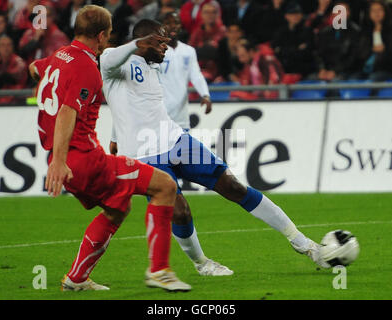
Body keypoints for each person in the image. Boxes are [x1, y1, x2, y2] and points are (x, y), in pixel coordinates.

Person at [103, 19, 330, 279]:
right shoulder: (113, 57)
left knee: (233, 186)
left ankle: (303, 243)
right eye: (162, 43)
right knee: (179, 210)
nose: (166, 48)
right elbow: (110, 63)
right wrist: (138, 44)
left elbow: (131, 104)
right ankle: (202, 263)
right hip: (144, 154)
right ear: (147, 41)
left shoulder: (151, 67)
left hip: (176, 140)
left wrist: (114, 133)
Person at [29, 5, 190, 292]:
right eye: (109, 35)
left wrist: (56, 157)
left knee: (117, 209)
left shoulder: (58, 56)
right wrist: (61, 161)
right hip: (84, 160)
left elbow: (34, 69)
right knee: (165, 186)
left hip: (65, 158)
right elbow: (68, 111)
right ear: (102, 35)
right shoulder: (87, 67)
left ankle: (77, 279)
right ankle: (160, 270)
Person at [104, 18, 232, 276]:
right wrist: (117, 135)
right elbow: (126, 104)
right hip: (143, 148)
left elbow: (146, 102)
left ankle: (169, 268)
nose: (166, 42)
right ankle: (172, 267)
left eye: (169, 33)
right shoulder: (123, 61)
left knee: (218, 187)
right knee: (166, 207)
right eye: (161, 38)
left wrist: (205, 93)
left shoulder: (176, 55)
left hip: (175, 131)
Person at [316, 1, 361, 81]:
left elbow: (353, 57)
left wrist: (335, 71)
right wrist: (322, 69)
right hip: (326, 71)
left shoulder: (356, 32)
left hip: (348, 72)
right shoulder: (324, 32)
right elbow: (318, 54)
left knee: (335, 83)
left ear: (349, 13)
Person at [353, 0, 392, 81]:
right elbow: (358, 54)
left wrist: (383, 51)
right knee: (353, 79)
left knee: (372, 80)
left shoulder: (389, 31)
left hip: (385, 70)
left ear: (385, 12)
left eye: (380, 10)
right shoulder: (364, 32)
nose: (376, 13)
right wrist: (371, 50)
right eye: (373, 10)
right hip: (364, 70)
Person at [0, 35, 27, 104]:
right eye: (2, 45)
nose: (6, 48)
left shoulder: (19, 62)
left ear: (12, 47)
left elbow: (9, 78)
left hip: (16, 101)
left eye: (8, 45)